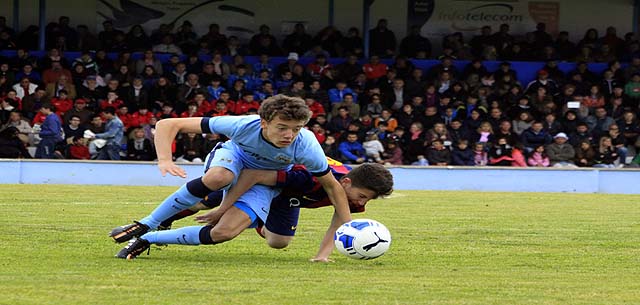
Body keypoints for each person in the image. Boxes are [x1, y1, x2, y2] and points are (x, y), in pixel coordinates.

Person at [111, 95, 352, 261]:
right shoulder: (242, 125)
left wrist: (349, 226)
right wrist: (164, 159)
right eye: (282, 127)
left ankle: (148, 238)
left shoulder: (307, 146)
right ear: (264, 123)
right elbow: (168, 124)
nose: (290, 135)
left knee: (223, 232)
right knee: (219, 177)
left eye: (297, 128)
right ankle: (146, 223)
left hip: (261, 180)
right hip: (233, 157)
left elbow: (332, 187)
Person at [117, 160, 393, 261]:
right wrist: (226, 204)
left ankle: (254, 219)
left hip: (286, 198)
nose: (361, 204)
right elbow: (255, 174)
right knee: (208, 207)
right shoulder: (307, 177)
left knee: (278, 242)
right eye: (361, 196)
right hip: (262, 179)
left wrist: (322, 256)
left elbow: (339, 225)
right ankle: (150, 228)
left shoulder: (352, 193)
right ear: (345, 182)